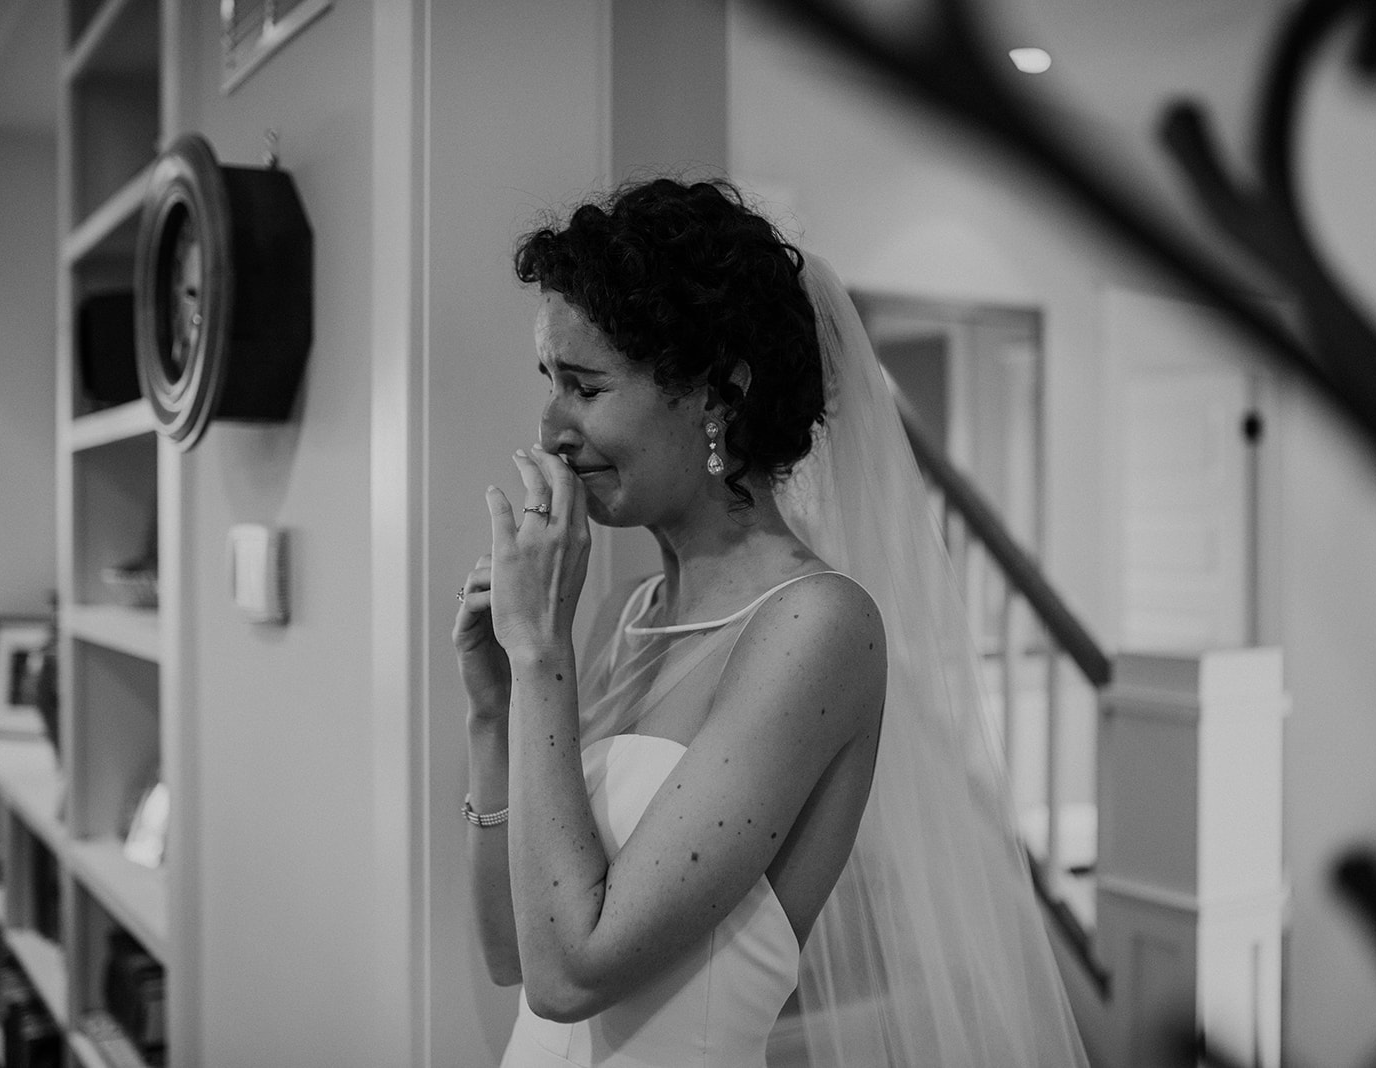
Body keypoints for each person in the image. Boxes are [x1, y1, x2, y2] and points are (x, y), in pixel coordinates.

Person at [456, 178, 1088, 1067]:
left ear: (720, 396)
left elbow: (573, 975)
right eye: (548, 383)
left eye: (585, 387)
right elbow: (510, 955)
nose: (551, 429)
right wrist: (494, 710)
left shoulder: (816, 628)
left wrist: (539, 660)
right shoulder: (625, 615)